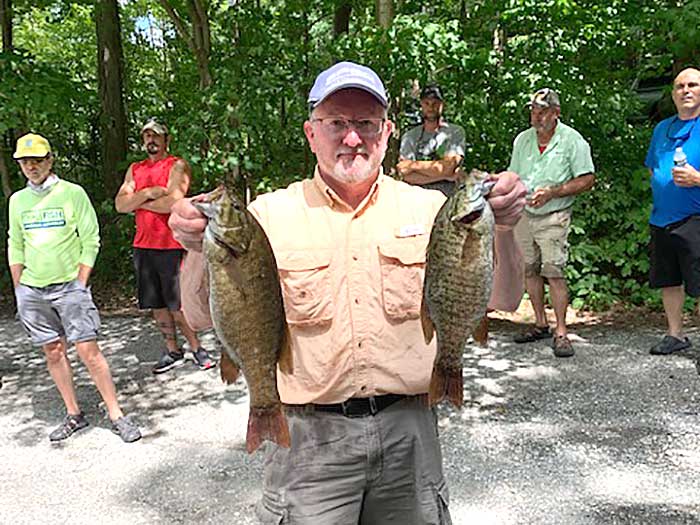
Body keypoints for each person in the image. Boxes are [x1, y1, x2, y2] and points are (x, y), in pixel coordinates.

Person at [169, 61, 526, 524]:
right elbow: (198, 316)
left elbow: (505, 299)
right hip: (307, 441)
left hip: (409, 434)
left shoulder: (435, 208)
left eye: (365, 124)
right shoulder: (266, 216)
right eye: (336, 122)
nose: (352, 137)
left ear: (387, 132)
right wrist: (197, 248)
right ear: (311, 132)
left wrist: (504, 229)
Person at [7, 133, 141, 443]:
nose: (32, 166)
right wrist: (20, 288)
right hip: (33, 290)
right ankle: (74, 414)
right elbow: (15, 244)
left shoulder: (72, 193)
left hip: (70, 287)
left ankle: (116, 414)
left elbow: (91, 238)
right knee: (54, 352)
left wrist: (81, 283)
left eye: (38, 160)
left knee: (89, 352)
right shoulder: (18, 201)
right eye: (26, 162)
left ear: (50, 160)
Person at [115, 120, 215, 374]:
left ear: (166, 140)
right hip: (143, 246)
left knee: (178, 304)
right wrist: (148, 193)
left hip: (172, 245)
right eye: (147, 135)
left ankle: (197, 349)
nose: (151, 140)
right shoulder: (135, 169)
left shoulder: (176, 165)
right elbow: (120, 204)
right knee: (156, 305)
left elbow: (173, 202)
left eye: (156, 136)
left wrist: (135, 202)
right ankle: (173, 350)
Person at [509, 88, 595, 358]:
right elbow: (513, 175)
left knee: (554, 272)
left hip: (554, 215)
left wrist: (553, 192)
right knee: (529, 270)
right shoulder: (522, 140)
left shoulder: (572, 140)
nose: (537, 115)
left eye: (543, 110)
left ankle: (561, 332)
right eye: (533, 110)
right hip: (525, 215)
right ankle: (539, 323)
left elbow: (587, 178)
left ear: (556, 113)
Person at [645, 67, 700, 355]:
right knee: (669, 281)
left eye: (692, 85)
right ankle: (676, 335)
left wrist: (697, 179)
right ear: (673, 94)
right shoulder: (661, 128)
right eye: (680, 86)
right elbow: (653, 166)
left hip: (696, 219)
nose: (686, 90)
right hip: (662, 217)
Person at [397, 84, 466, 196]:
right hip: (416, 197)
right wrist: (445, 176)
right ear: (421, 105)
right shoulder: (410, 136)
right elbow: (405, 175)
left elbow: (448, 168)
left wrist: (412, 165)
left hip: (447, 198)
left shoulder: (455, 132)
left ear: (442, 104)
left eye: (435, 103)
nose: (431, 107)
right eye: (426, 103)